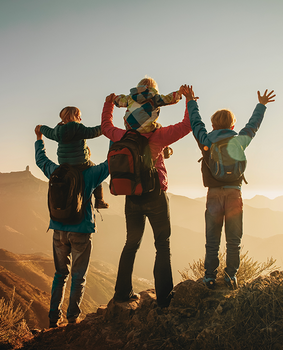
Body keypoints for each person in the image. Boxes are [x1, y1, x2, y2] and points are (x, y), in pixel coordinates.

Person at [102, 85, 192, 308]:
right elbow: (187, 126)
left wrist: (108, 104)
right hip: (155, 196)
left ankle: (122, 293)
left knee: (130, 244)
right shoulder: (158, 136)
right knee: (162, 244)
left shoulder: (122, 135)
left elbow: (106, 127)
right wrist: (189, 101)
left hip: (132, 197)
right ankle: (163, 298)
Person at [181, 85, 276, 290]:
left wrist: (190, 100)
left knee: (212, 240)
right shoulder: (238, 141)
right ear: (233, 124)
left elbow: (196, 123)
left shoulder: (206, 141)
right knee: (234, 240)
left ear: (213, 124)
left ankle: (209, 277)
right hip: (234, 193)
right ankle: (231, 277)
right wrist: (261, 105)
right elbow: (253, 126)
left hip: (214, 194)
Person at [34, 124, 110, 327]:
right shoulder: (90, 174)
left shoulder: (55, 171)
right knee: (78, 276)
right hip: (81, 231)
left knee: (60, 275)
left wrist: (39, 139)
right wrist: (113, 136)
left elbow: (40, 160)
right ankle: (72, 318)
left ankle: (52, 318)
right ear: (83, 149)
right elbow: (109, 163)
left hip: (58, 230)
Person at [39, 106, 109, 209]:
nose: (81, 119)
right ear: (74, 116)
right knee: (96, 173)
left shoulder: (57, 131)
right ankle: (100, 200)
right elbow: (93, 132)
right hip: (81, 163)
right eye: (79, 116)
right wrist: (106, 127)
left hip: (64, 164)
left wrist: (40, 128)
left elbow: (48, 132)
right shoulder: (79, 128)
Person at [114, 76, 181, 157]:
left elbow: (119, 101)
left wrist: (114, 98)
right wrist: (179, 93)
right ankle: (165, 149)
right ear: (154, 89)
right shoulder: (155, 98)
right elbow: (169, 98)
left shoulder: (130, 97)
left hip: (130, 128)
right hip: (147, 129)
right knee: (159, 127)